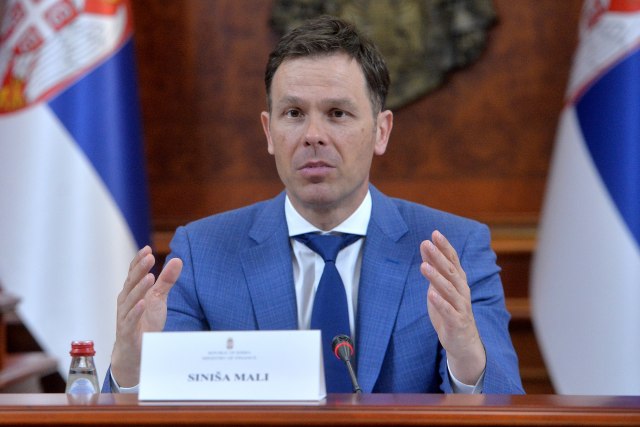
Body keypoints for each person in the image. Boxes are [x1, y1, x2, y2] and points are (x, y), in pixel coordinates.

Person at [103, 15, 524, 394]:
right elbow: (161, 410)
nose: (313, 135)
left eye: (337, 113)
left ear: (381, 131)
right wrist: (130, 366)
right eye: (293, 113)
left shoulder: (454, 250)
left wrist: (466, 355)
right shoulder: (204, 252)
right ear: (269, 132)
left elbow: (505, 404)